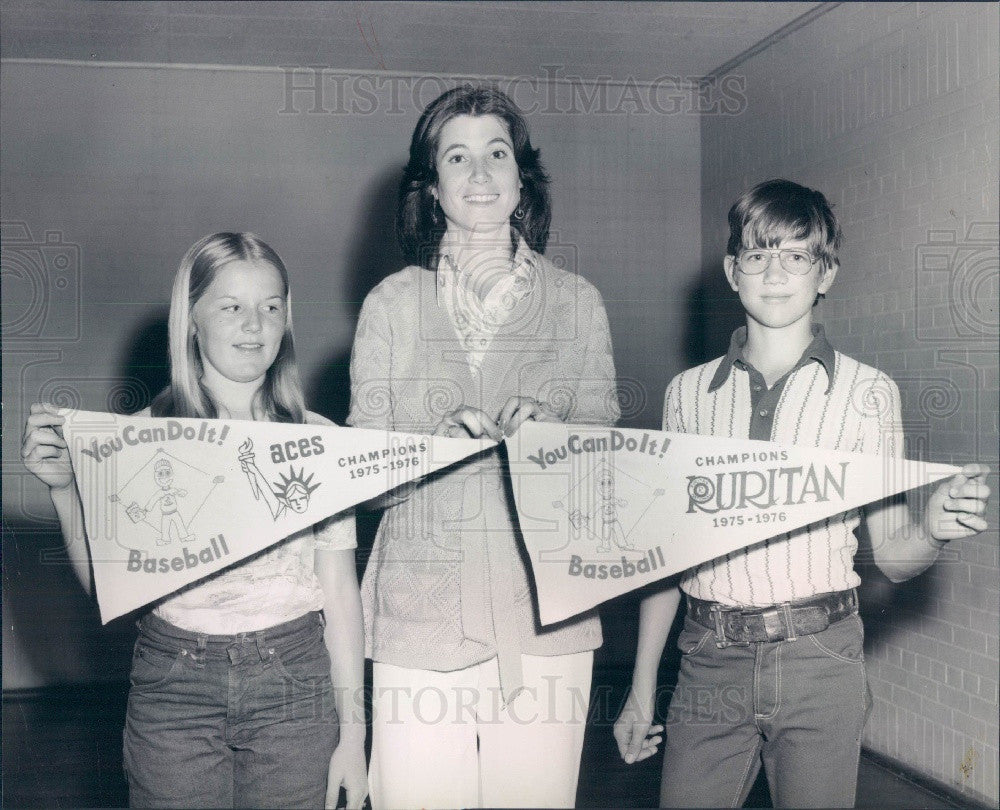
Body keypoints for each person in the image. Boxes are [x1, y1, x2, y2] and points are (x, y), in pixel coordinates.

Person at [613, 179, 991, 808]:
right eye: (759, 254)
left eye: (797, 255)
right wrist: (642, 684)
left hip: (821, 657)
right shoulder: (686, 395)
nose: (776, 271)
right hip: (709, 660)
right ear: (734, 272)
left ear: (826, 274)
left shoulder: (869, 394)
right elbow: (667, 557)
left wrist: (931, 528)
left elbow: (894, 557)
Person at [21, 232, 368, 809]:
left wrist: (354, 736)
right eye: (231, 307)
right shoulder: (140, 437)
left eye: (270, 307)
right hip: (171, 685)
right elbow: (108, 589)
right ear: (192, 320)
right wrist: (64, 493)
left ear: (287, 320)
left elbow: (341, 594)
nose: (254, 325)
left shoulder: (321, 442)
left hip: (294, 681)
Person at [348, 84, 620, 809]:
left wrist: (553, 444)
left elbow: (610, 476)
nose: (479, 173)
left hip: (546, 622)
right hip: (417, 624)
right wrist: (427, 448)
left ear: (521, 177)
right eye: (457, 156)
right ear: (431, 188)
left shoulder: (577, 304)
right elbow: (360, 478)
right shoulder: (391, 307)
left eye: (496, 153)